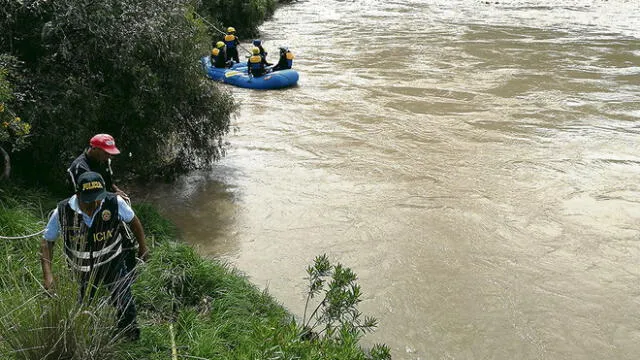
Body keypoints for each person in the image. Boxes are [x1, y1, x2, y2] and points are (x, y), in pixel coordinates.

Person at [41, 171, 148, 341]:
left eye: (98, 198)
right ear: (78, 195)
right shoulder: (62, 211)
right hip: (81, 272)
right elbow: (47, 242)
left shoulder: (114, 202)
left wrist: (143, 247)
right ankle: (88, 338)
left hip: (113, 264)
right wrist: (48, 275)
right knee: (85, 306)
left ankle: (129, 337)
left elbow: (134, 221)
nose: (94, 204)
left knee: (124, 301)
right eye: (89, 200)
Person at [68, 134, 126, 198]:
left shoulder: (103, 160)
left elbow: (109, 182)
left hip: (102, 198)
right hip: (84, 202)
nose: (109, 156)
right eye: (106, 153)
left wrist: (117, 191)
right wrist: (114, 195)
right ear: (94, 149)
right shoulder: (80, 166)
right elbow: (90, 193)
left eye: (110, 154)